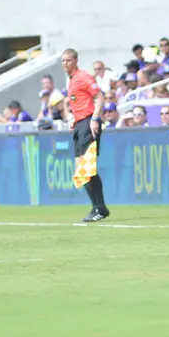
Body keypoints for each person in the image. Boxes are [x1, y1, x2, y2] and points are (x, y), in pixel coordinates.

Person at [62, 48, 110, 222]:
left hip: (88, 123)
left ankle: (99, 208)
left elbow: (100, 96)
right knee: (81, 171)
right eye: (63, 60)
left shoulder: (83, 77)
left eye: (68, 60)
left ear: (76, 61)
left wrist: (95, 118)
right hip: (80, 124)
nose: (65, 64)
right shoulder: (71, 80)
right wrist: (72, 117)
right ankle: (99, 207)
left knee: (86, 168)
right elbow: (72, 101)